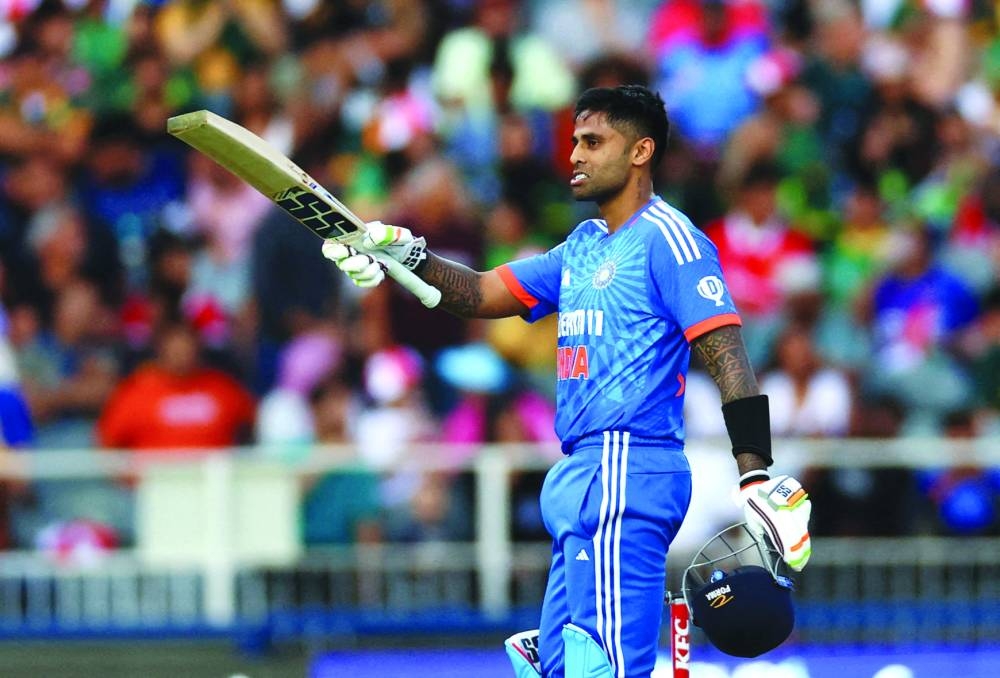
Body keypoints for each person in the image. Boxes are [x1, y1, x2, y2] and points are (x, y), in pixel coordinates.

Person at [323, 85, 812, 678]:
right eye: (574, 141)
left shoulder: (670, 239)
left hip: (627, 467)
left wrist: (755, 473)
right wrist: (405, 256)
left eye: (592, 141)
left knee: (600, 668)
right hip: (582, 472)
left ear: (640, 151)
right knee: (560, 667)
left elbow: (725, 349)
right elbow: (481, 293)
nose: (574, 155)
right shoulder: (582, 246)